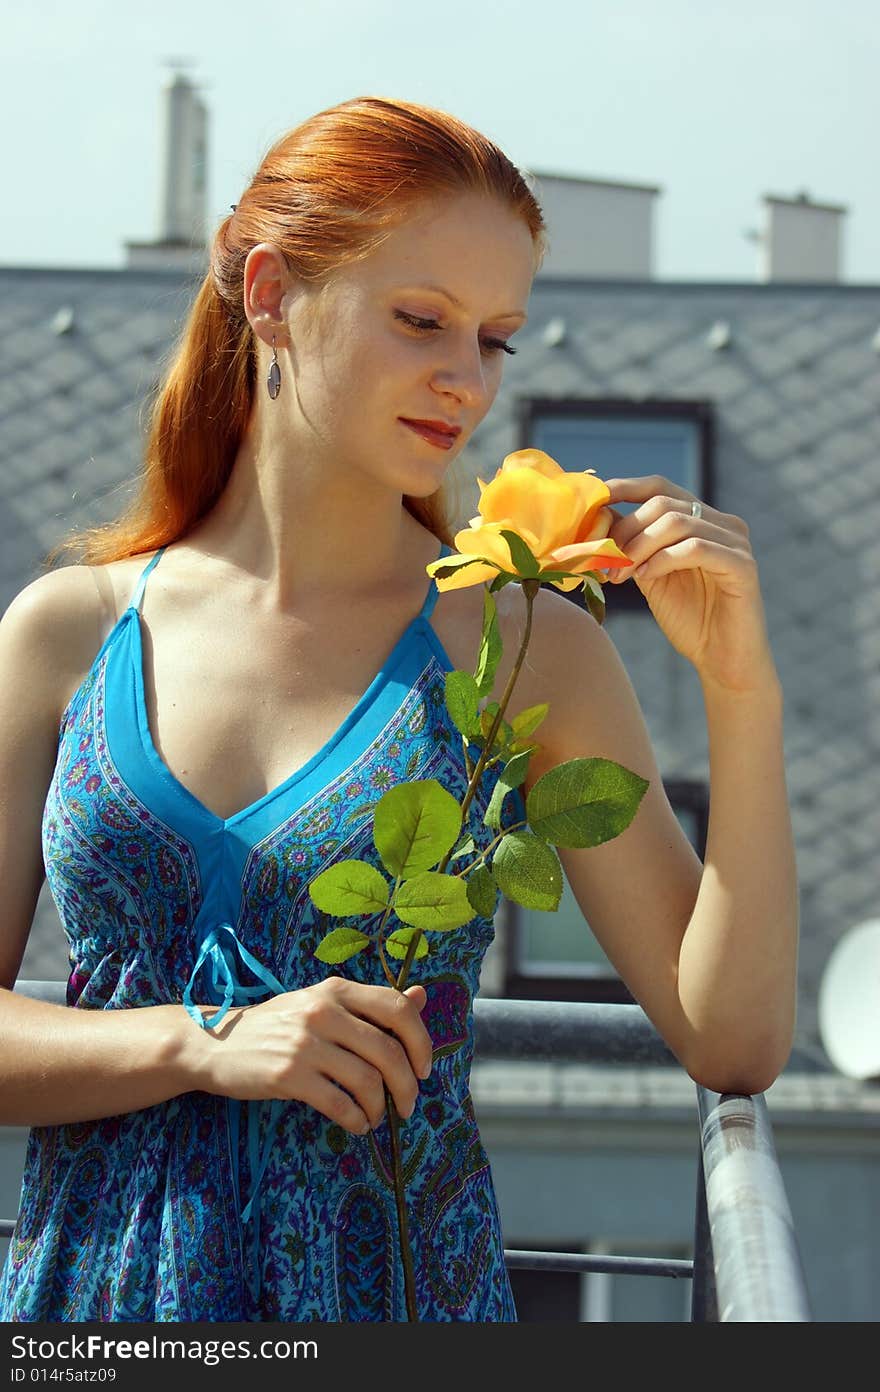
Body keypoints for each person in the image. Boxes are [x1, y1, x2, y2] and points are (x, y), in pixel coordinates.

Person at [0, 95, 798, 1324]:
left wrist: (741, 693)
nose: (465, 380)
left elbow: (728, 1044)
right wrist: (199, 1040)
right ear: (269, 294)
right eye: (421, 320)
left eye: (497, 339)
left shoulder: (528, 651)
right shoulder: (67, 629)